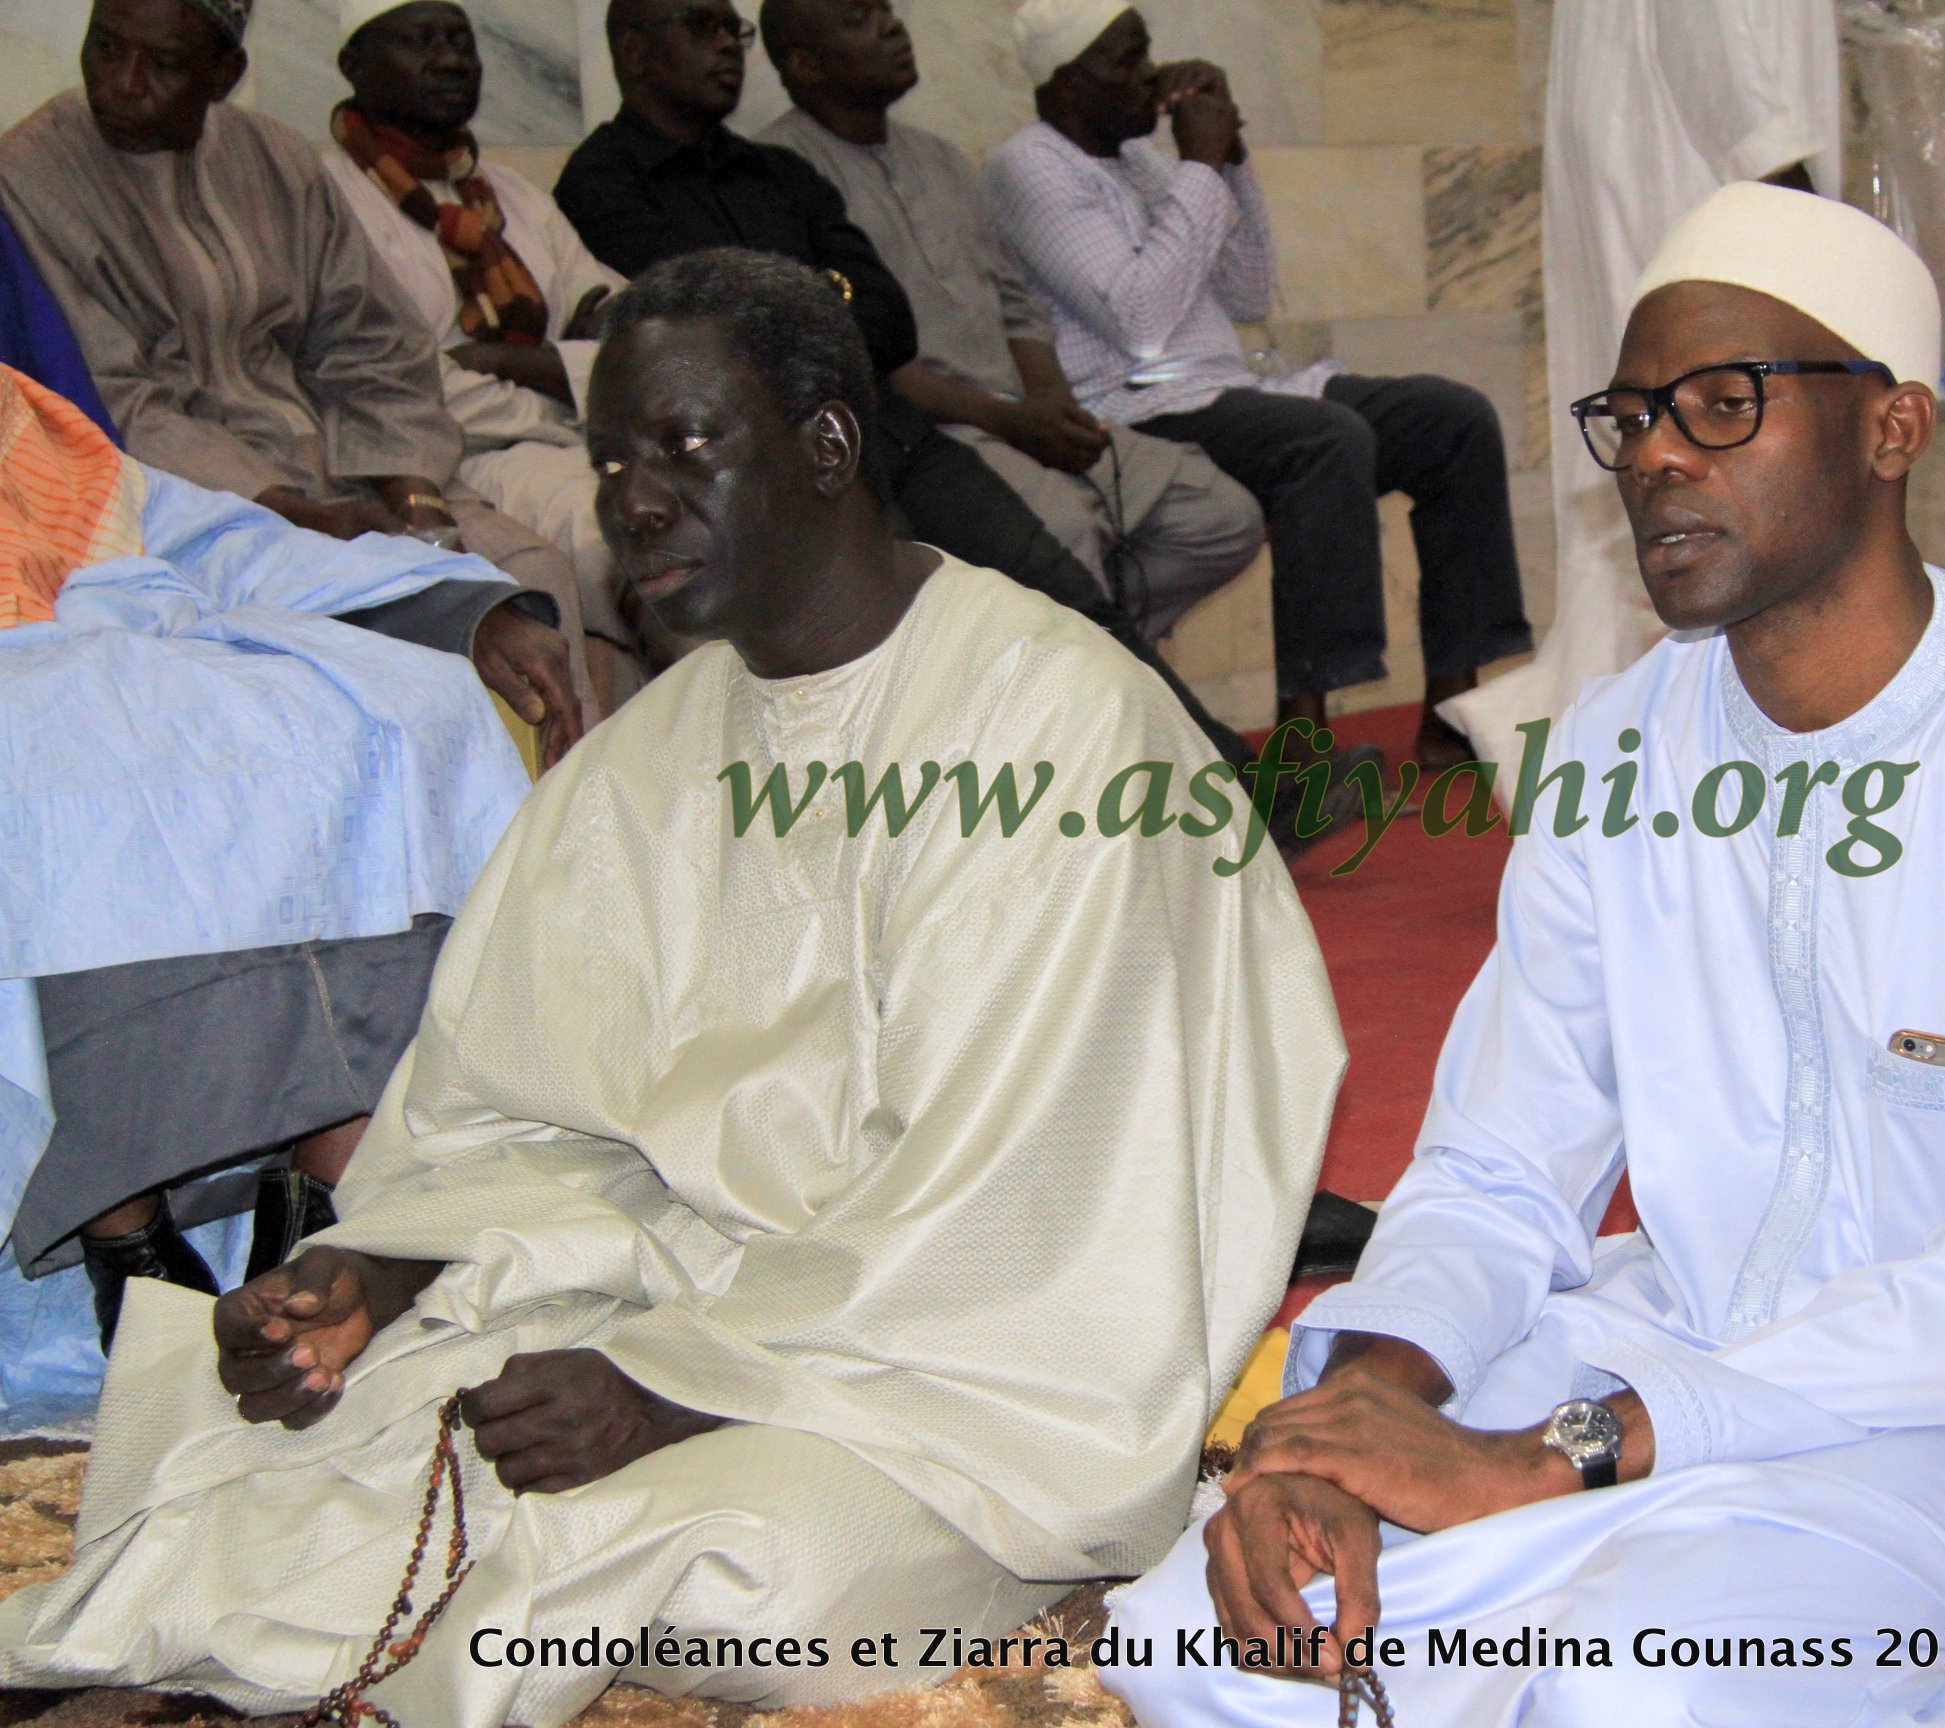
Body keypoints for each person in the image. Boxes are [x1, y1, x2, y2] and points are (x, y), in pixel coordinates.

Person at [0, 249, 1346, 1727]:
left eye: (683, 447)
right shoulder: (659, 750)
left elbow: (1029, 1216)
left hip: (961, 1382)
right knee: (307, 1415)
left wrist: (672, 1392)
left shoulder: (1054, 730)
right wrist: (386, 1275)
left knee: (737, 1574)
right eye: (612, 459)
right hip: (694, 1293)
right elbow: (522, 1109)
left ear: (828, 446)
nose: (632, 498)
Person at [1103, 183, 1945, 1728]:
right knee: (1200, 1630)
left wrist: (1550, 1459)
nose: (1658, 453)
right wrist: (1361, 1415)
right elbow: (1499, 1165)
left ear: (1894, 429)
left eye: (1724, 405)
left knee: (1654, 1687)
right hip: (1685, 1342)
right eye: (1635, 414)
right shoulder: (1614, 749)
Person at [552, 0, 1367, 846]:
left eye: (734, 29)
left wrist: (804, 311)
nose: (727, 47)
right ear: (637, 53)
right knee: (891, 655)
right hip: (754, 481)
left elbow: (884, 320)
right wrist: (810, 303)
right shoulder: (604, 179)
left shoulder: (776, 176)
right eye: (702, 28)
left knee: (1070, 607)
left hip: (884, 438)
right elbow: (689, 340)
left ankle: (1230, 798)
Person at [0, 363, 558, 1372]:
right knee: (72, 768)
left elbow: (205, 538)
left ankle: (326, 1196)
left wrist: (455, 613)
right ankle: (123, 1236)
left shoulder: (18, 413)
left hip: (124, 648)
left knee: (392, 710)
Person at [0, 0, 600, 727]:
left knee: (529, 573)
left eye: (162, 64)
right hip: (202, 505)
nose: (123, 83)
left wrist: (415, 500)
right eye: (106, 49)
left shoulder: (274, 159)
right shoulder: (30, 175)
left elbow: (371, 342)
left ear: (226, 73)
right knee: (375, 625)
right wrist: (287, 510)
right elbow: (118, 400)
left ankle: (570, 819)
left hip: (353, 467)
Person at [989, 0, 1535, 775]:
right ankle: (1303, 739)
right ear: (1064, 81)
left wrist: (1230, 158)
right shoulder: (1029, 165)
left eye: (1148, 54)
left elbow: (1247, 294)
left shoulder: (1145, 163)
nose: (1148, 77)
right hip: (1139, 410)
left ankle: (1453, 715)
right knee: (1324, 443)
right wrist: (1201, 168)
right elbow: (1138, 322)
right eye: (1127, 59)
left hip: (1230, 390)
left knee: (1453, 419)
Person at [756, 0, 1266, 646]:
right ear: (805, 64)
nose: (891, 26)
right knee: (1067, 531)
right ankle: (1096, 679)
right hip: (935, 436)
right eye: (859, 19)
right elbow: (851, 357)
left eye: (888, 11)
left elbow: (1016, 302)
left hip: (1024, 415)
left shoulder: (942, 160)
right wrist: (1009, 421)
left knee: (1218, 515)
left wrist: (1049, 401)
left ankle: (1070, 653)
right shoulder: (777, 171)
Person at [1444, 0, 1842, 772]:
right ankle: (1693, 718)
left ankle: (1685, 704)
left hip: (1663, 143)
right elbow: (1718, 49)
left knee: (1675, 414)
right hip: (1697, 163)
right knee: (1708, 415)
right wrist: (1799, 203)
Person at [325, 0, 641, 694]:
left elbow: (624, 319)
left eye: (459, 40)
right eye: (420, 40)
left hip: (582, 440)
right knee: (633, 541)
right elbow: (403, 384)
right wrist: (565, 395)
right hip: (465, 466)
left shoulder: (513, 197)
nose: (450, 58)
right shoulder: (329, 199)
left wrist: (518, 364)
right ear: (353, 65)